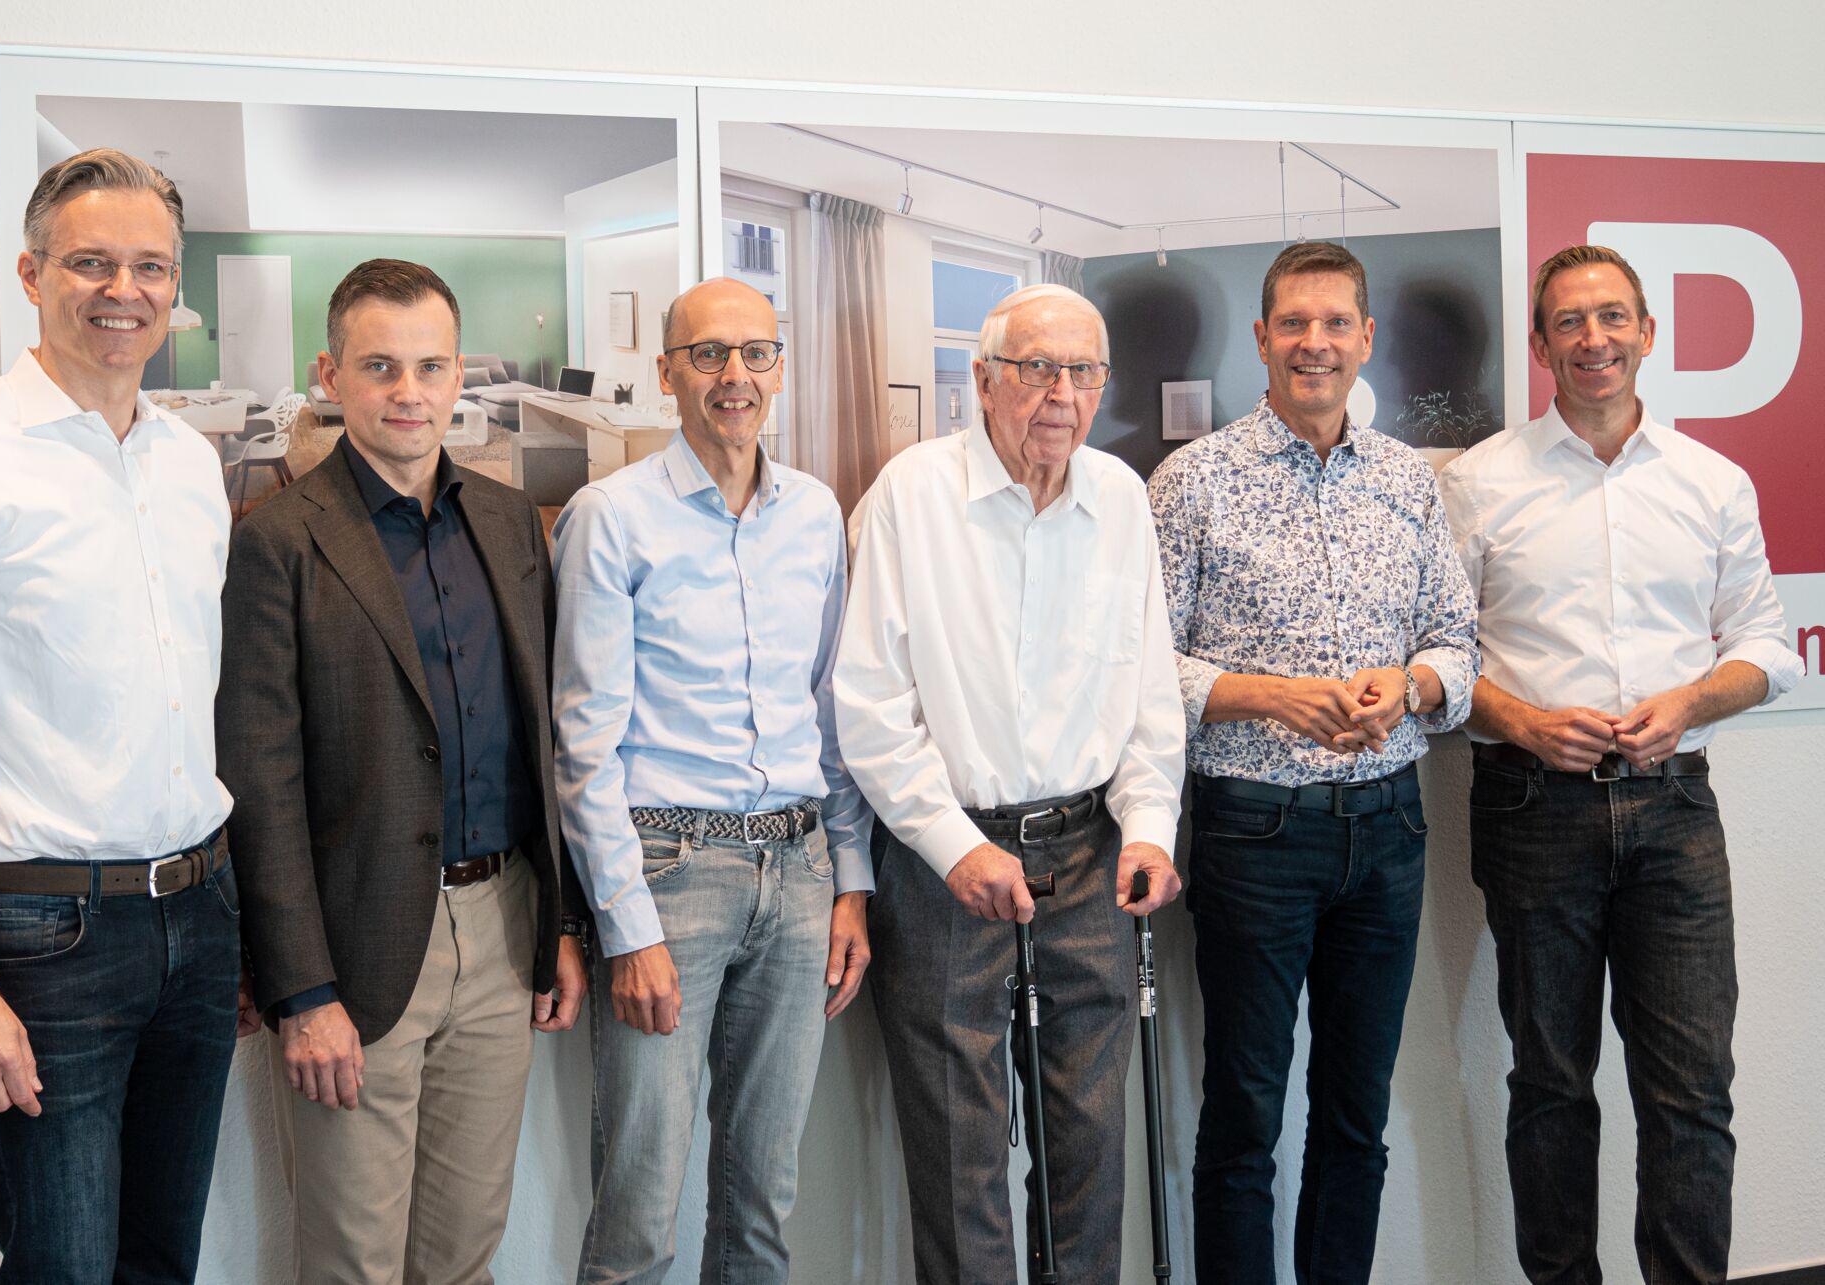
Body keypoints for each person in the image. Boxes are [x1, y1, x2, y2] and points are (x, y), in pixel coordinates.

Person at [0, 148, 246, 1282]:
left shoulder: (186, 462)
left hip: (198, 912)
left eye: (151, 267)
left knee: (162, 1260)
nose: (125, 290)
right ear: (30, 273)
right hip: (45, 936)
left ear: (176, 287)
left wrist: (230, 929)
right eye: (91, 263)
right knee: (63, 1266)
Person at [217, 258, 588, 1283]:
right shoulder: (279, 543)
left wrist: (558, 922)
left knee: (465, 1253)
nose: (408, 392)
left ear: (459, 372)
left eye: (429, 366)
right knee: (353, 1261)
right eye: (378, 366)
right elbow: (261, 784)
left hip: (503, 926)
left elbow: (539, 740)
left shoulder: (509, 524)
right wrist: (301, 987)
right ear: (328, 374)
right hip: (360, 944)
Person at [1438, 244, 1803, 1285]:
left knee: (1690, 1092)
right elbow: (1442, 655)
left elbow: (1764, 646)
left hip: (1674, 810)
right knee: (1549, 1086)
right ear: (1541, 342)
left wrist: (1687, 700)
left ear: (1647, 331)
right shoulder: (1480, 481)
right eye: (1568, 321)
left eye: (1610, 318)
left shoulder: (1709, 481)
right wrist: (1515, 718)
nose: (1591, 339)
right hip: (1528, 803)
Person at [833, 283, 1187, 1283]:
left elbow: (1149, 689)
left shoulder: (1118, 498)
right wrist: (954, 845)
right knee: (958, 1152)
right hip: (946, 859)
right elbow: (866, 703)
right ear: (983, 380)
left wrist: (1150, 826)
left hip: (1089, 855)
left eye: (1081, 372)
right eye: (1036, 369)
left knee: (1088, 1149)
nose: (1060, 395)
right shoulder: (909, 495)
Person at [1146, 241, 1478, 1283]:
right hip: (1255, 830)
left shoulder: (1406, 483)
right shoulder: (1191, 481)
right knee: (1242, 1116)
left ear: (1364, 338)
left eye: (1335, 322)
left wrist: (1409, 686)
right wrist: (1272, 696)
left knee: (1354, 1114)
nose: (1314, 343)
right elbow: (1141, 665)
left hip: (1386, 829)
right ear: (1260, 339)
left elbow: (1454, 643)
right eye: (1293, 323)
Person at [553, 277, 873, 1283]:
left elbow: (831, 714)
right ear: (666, 373)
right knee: (638, 1208)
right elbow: (582, 744)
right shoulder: (612, 519)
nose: (733, 376)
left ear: (779, 367)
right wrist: (626, 923)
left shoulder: (816, 515)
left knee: (760, 1204)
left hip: (798, 865)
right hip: (667, 868)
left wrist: (850, 879)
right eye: (707, 355)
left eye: (754, 353)